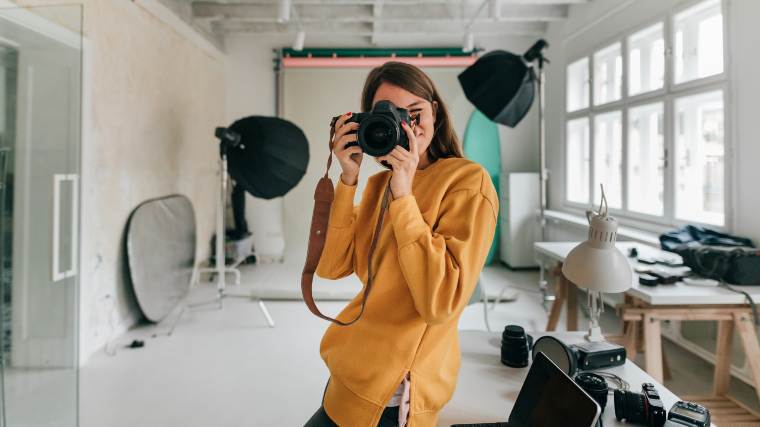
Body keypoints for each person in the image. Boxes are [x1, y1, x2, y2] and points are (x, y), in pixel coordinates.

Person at [305, 61, 498, 427]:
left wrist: (405, 194)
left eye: (415, 113)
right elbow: (330, 268)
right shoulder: (378, 186)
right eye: (393, 116)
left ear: (436, 114)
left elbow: (439, 302)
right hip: (348, 371)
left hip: (393, 397)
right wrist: (347, 180)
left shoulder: (468, 181)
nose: (408, 127)